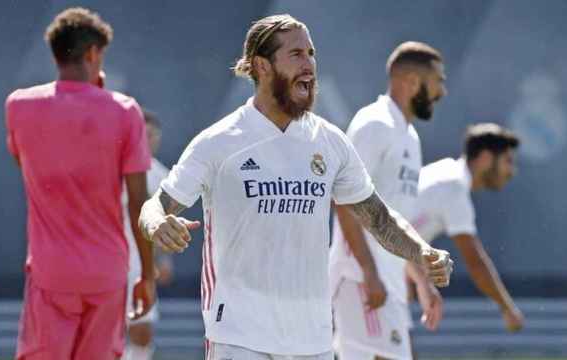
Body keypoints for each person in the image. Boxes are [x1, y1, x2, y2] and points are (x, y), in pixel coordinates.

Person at [138, 15, 453, 360]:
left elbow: (378, 218)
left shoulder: (331, 142)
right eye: (297, 54)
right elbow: (155, 206)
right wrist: (158, 224)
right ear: (262, 65)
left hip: (311, 339)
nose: (310, 65)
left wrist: (420, 252)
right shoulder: (219, 142)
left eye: (311, 53)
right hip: (239, 334)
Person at [5, 8, 155, 359]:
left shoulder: (19, 106)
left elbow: (25, 164)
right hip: (107, 274)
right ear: (92, 54)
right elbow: (138, 202)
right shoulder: (124, 111)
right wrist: (146, 274)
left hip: (50, 273)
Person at [330, 41, 447, 360]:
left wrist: (421, 281)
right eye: (438, 81)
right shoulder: (375, 123)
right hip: (361, 278)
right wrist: (369, 272)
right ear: (412, 80)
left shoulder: (408, 135)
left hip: (388, 280)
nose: (441, 92)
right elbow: (344, 200)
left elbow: (396, 218)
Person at [410, 123, 524, 332]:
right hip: (368, 275)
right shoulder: (454, 188)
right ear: (485, 159)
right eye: (507, 161)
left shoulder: (447, 171)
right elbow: (475, 262)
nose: (511, 171)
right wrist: (507, 308)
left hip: (377, 275)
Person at [122, 109, 174, 360]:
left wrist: (163, 259)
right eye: (143, 134)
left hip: (141, 264)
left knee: (142, 328)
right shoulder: (110, 169)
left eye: (153, 135)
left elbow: (164, 223)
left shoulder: (163, 177)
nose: (148, 139)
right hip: (107, 259)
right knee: (104, 327)